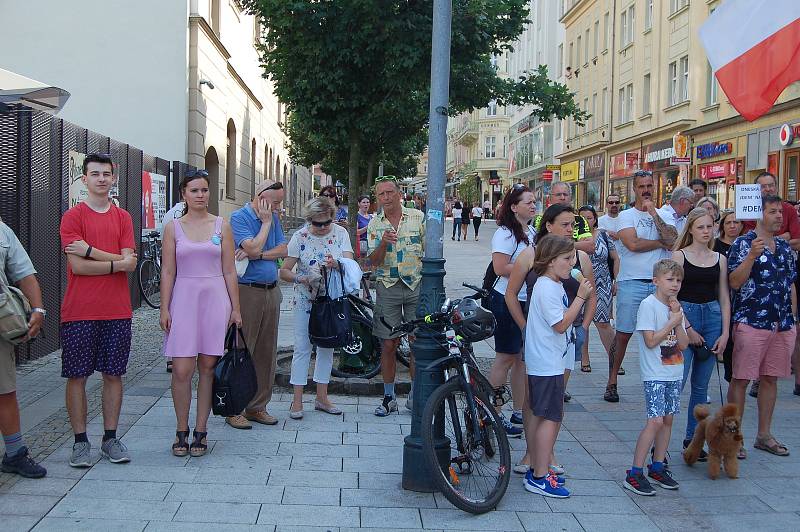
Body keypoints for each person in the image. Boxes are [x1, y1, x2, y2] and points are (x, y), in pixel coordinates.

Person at [60, 153, 137, 467]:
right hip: (79, 310)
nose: (101, 179)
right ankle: (80, 441)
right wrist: (117, 262)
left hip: (117, 310)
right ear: (84, 178)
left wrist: (92, 251)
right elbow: (77, 267)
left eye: (106, 173)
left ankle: (110, 438)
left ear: (114, 177)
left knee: (114, 375)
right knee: (77, 377)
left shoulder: (123, 218)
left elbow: (130, 264)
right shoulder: (73, 217)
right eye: (95, 174)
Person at [160, 170, 242, 457]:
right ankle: (181, 429)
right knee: (182, 369)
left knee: (208, 367)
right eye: (194, 190)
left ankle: (201, 430)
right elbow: (168, 270)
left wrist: (236, 308)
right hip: (183, 299)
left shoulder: (222, 226)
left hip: (214, 300)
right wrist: (164, 306)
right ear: (183, 193)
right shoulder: (173, 228)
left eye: (205, 190)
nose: (200, 195)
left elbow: (229, 269)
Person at [513, 235, 592, 498]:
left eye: (572, 258)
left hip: (547, 360)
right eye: (567, 259)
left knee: (540, 414)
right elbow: (560, 324)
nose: (572, 264)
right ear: (549, 261)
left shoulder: (553, 284)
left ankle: (537, 466)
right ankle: (539, 475)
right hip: (547, 363)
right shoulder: (547, 287)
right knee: (550, 416)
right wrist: (580, 298)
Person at [727, 195, 796, 458]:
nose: (779, 216)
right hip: (752, 321)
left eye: (781, 211)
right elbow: (734, 281)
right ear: (760, 214)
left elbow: (790, 285)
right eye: (773, 211)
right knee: (742, 379)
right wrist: (752, 257)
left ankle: (764, 435)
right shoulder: (744, 244)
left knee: (770, 378)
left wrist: (793, 320)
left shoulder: (784, 247)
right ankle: (734, 436)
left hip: (782, 323)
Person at [605, 170, 678, 403]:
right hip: (632, 282)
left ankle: (665, 379)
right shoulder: (626, 215)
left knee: (667, 334)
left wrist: (654, 214)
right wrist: (660, 242)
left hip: (660, 284)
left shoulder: (665, 213)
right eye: (641, 186)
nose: (645, 190)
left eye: (649, 185)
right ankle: (612, 381)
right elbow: (633, 244)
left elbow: (672, 238)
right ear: (634, 189)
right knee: (624, 334)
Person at [281, 197, 353, 418]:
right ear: (309, 220)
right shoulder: (299, 236)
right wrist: (301, 278)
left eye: (326, 223)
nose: (322, 228)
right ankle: (297, 400)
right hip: (306, 301)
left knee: (327, 347)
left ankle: (322, 397)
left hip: (332, 302)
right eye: (317, 223)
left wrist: (337, 264)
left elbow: (350, 263)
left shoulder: (340, 233)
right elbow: (284, 271)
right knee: (303, 348)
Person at [623, 259, 688, 496]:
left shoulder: (676, 307)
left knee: (668, 420)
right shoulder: (648, 305)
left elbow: (683, 343)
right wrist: (671, 322)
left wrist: (677, 319)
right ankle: (634, 472)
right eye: (670, 279)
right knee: (655, 421)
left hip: (674, 371)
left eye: (678, 280)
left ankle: (658, 465)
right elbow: (650, 340)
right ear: (656, 281)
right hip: (655, 373)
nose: (675, 285)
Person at [228, 179, 288, 429]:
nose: (277, 208)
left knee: (266, 351)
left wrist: (261, 254)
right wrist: (264, 225)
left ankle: (257, 406)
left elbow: (283, 249)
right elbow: (249, 246)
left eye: (279, 203)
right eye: (275, 202)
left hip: (271, 291)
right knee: (242, 350)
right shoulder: (239, 217)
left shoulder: (273, 218)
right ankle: (234, 407)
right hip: (247, 291)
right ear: (261, 197)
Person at [671, 208, 730, 460]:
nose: (706, 231)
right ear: (691, 229)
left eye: (710, 226)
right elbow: (671, 295)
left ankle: (693, 440)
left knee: (701, 387)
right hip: (685, 316)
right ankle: (660, 441)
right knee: (675, 382)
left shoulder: (720, 259)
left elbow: (724, 297)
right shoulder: (679, 256)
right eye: (701, 227)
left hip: (712, 316)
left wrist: (725, 332)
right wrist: (687, 328)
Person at [367, 176, 425, 416]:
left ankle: (415, 395)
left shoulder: (417, 218)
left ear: (399, 194)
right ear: (377, 199)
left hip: (415, 284)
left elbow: (430, 249)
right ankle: (389, 397)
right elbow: (372, 261)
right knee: (388, 343)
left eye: (390, 192)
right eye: (381, 194)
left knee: (416, 343)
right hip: (388, 286)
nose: (386, 198)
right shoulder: (375, 224)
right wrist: (382, 244)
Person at [488, 184, 536, 437]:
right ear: (514, 206)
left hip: (527, 299)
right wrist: (529, 267)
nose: (533, 205)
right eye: (527, 201)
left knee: (519, 359)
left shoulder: (531, 231)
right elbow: (499, 267)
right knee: (505, 357)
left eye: (534, 201)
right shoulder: (506, 234)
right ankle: (491, 413)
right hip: (506, 299)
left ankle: (518, 410)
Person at [0, 221, 46, 478]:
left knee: (5, 391)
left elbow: (24, 272)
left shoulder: (2, 231)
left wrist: (38, 309)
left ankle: (15, 453)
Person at [578, 205, 619, 373]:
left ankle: (615, 358)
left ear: (595, 219)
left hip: (602, 282)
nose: (587, 221)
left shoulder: (603, 234)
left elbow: (615, 258)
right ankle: (584, 358)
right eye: (582, 218)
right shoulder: (574, 238)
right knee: (582, 321)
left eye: (589, 217)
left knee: (602, 322)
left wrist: (615, 280)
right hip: (580, 281)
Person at [715, 210, 744, 385]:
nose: (733, 226)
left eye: (736, 222)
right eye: (729, 223)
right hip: (721, 297)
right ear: (723, 226)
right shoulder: (715, 246)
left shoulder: (746, 245)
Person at [741, 172, 800, 250]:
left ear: (777, 188)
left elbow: (797, 243)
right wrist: (784, 237)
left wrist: (768, 241)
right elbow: (748, 243)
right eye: (763, 186)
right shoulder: (749, 211)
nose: (768, 189)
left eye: (771, 185)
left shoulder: (789, 209)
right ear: (756, 189)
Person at [536, 182, 594, 253]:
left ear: (570, 198)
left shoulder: (579, 219)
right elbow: (540, 246)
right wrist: (577, 244)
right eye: (558, 195)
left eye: (565, 194)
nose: (562, 198)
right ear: (549, 198)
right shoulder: (538, 219)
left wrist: (556, 245)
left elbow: (590, 246)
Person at [356, 195, 373, 259]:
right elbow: (355, 232)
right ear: (359, 204)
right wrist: (367, 227)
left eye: (368, 202)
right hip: (361, 245)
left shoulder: (371, 217)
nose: (366, 204)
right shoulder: (356, 216)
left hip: (371, 246)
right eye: (363, 202)